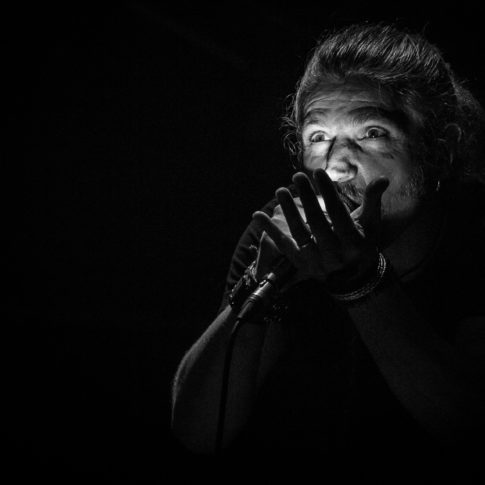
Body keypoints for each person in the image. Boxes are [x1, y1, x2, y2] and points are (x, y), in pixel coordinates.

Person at [170, 23, 485, 479]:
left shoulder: (474, 229)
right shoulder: (281, 229)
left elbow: (469, 426)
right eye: (318, 137)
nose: (336, 166)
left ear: (441, 147)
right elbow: (199, 433)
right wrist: (258, 289)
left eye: (372, 132)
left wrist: (360, 281)